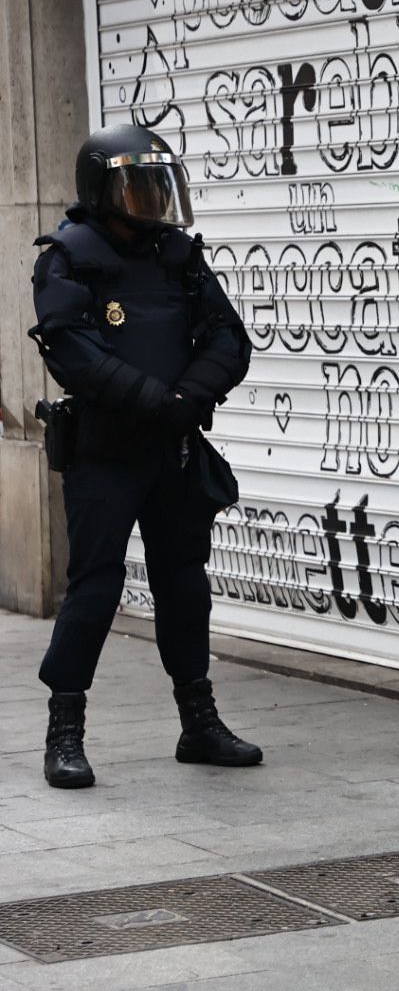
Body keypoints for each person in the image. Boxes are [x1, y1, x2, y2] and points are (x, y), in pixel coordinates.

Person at [26, 123, 258, 789]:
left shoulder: (178, 255)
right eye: (137, 186)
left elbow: (228, 337)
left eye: (159, 185)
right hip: (106, 455)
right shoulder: (67, 257)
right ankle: (64, 731)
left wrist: (188, 397)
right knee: (94, 588)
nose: (151, 199)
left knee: (184, 584)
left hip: (176, 450)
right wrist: (155, 400)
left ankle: (199, 722)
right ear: (100, 190)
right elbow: (71, 350)